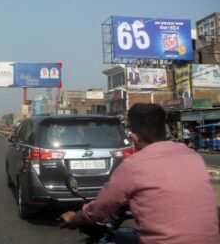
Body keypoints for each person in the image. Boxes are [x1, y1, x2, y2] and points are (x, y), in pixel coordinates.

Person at [60, 103, 220, 244]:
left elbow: (100, 209)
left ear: (134, 138)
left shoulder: (133, 166)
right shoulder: (193, 157)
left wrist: (75, 217)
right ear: (165, 131)